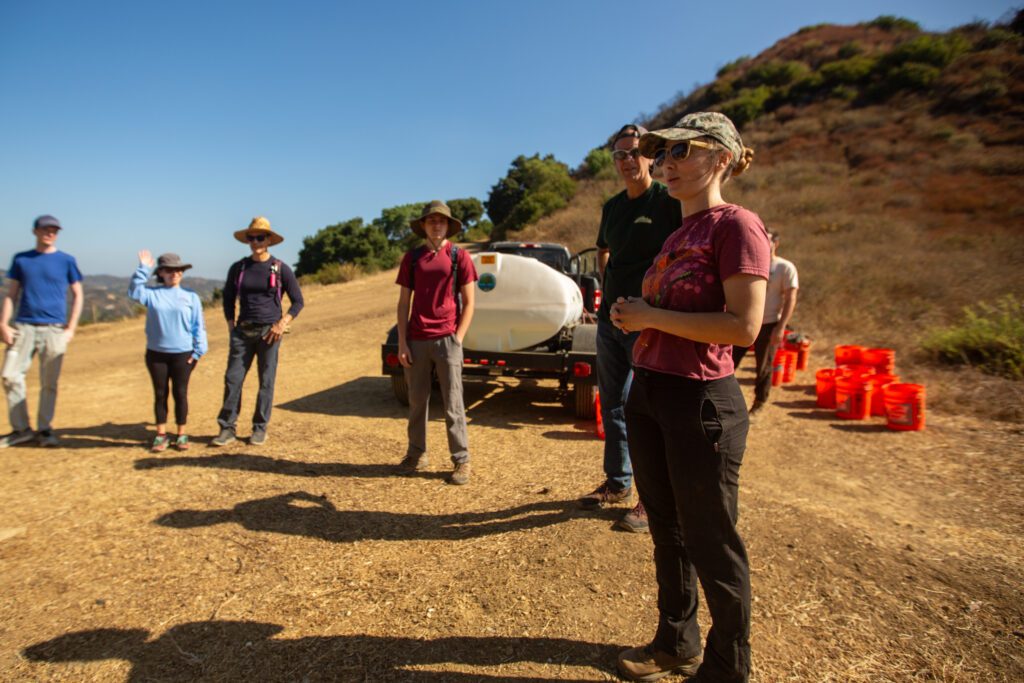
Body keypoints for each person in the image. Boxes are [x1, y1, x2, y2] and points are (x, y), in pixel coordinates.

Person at [609, 112, 770, 682]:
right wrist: (636, 318)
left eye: (683, 152)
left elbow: (743, 327)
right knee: (668, 530)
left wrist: (651, 314)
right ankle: (676, 642)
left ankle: (729, 668)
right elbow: (672, 315)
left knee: (711, 539)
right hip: (651, 391)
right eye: (664, 154)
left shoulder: (737, 226)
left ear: (721, 158)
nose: (667, 163)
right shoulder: (677, 232)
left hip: (700, 401)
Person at [579, 124, 682, 533]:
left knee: (651, 409)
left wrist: (656, 302)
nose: (626, 161)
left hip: (650, 321)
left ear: (652, 158)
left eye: (634, 152)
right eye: (619, 155)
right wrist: (608, 287)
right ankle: (618, 483)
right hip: (611, 322)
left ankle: (652, 499)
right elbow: (603, 248)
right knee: (614, 405)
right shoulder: (613, 207)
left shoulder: (668, 202)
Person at [395, 200, 477, 485]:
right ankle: (416, 454)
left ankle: (461, 461)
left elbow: (469, 303)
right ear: (424, 225)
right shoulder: (413, 258)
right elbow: (404, 302)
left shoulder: (459, 257)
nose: (436, 225)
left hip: (447, 339)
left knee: (453, 404)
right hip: (417, 339)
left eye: (441, 221)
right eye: (431, 221)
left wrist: (458, 338)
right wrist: (402, 343)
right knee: (417, 401)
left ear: (448, 226)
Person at [212, 217, 303, 447]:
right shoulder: (239, 268)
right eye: (251, 238)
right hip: (242, 332)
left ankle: (260, 428)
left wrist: (282, 323)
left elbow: (298, 302)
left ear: (269, 240)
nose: (255, 242)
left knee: (266, 381)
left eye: (260, 237)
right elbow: (228, 299)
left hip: (269, 333)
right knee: (233, 379)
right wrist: (231, 326)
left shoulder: (280, 268)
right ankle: (227, 428)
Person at [0, 215, 83, 448]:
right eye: (46, 229)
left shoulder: (67, 260)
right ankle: (21, 429)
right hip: (23, 326)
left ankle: (45, 430)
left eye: (54, 230)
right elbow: (11, 294)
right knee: (9, 376)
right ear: (35, 231)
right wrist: (3, 323)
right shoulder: (21, 260)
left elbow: (78, 295)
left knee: (50, 382)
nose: (50, 233)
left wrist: (71, 328)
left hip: (54, 329)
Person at [129, 251, 208, 452]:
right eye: (170, 270)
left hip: (184, 354)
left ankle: (181, 434)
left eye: (178, 270)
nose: (175, 273)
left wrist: (199, 351)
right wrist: (143, 269)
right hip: (156, 354)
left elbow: (199, 326)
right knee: (160, 393)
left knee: (180, 393)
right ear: (161, 272)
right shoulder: (152, 294)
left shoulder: (191, 297)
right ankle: (161, 434)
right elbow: (134, 292)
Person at [732, 230, 798, 414]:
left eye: (767, 241)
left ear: (775, 244)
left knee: (763, 366)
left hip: (768, 324)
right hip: (743, 321)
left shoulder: (785, 267)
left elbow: (790, 298)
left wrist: (781, 327)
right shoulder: (748, 262)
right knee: (729, 362)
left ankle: (759, 402)